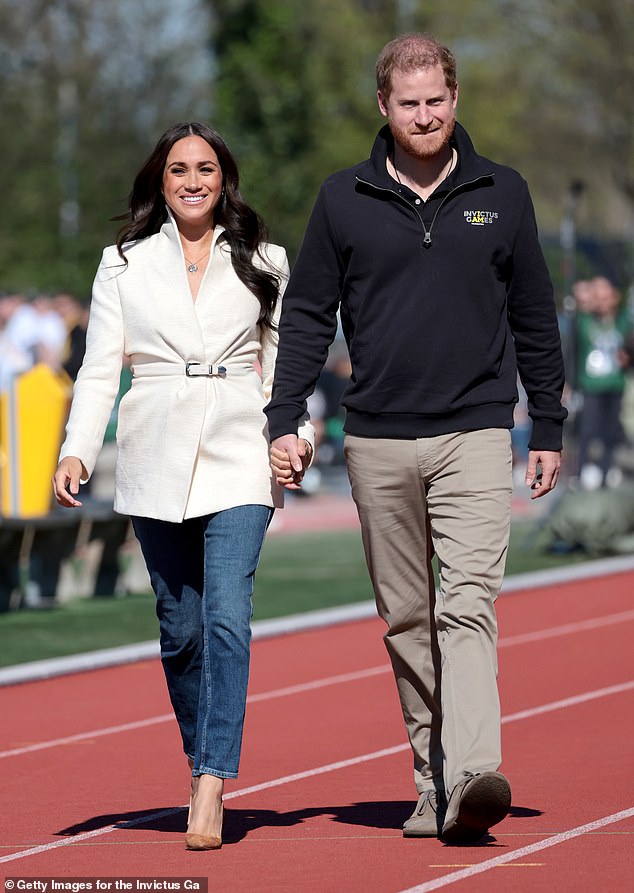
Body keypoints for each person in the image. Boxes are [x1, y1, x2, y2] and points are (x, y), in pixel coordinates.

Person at [265, 34, 567, 844]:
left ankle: (472, 772)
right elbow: (305, 317)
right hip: (376, 440)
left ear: (455, 99)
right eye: (410, 102)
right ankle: (433, 783)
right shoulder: (342, 198)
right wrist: (283, 415)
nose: (425, 114)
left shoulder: (504, 193)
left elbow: (535, 314)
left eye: (437, 99)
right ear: (384, 108)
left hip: (475, 429)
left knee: (467, 604)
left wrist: (549, 421)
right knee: (408, 617)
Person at [52, 122, 313, 851]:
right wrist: (75, 449)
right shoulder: (124, 263)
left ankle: (211, 779)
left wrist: (298, 439)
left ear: (225, 178)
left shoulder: (266, 259)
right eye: (178, 169)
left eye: (205, 167)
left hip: (240, 447)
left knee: (229, 615)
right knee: (181, 630)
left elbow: (286, 369)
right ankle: (203, 756)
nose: (193, 179)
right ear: (160, 182)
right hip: (154, 452)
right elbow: (102, 367)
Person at [575, 276, 632, 488]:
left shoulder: (623, 320)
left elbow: (629, 347)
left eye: (606, 296)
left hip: (615, 384)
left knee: (610, 433)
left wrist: (627, 356)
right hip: (591, 385)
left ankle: (606, 474)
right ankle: (580, 475)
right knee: (587, 432)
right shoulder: (584, 320)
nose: (602, 301)